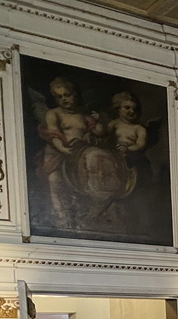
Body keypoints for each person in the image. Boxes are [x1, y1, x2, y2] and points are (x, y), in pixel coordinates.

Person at [36, 77, 104, 228]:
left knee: (82, 184)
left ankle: (80, 219)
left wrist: (97, 121)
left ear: (75, 95)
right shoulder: (54, 114)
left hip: (78, 155)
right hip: (57, 154)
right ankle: (60, 217)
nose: (64, 99)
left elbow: (100, 132)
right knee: (55, 180)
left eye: (67, 95)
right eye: (59, 97)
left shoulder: (82, 115)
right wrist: (63, 148)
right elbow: (54, 134)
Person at [106, 91, 147, 156]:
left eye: (135, 109)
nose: (132, 111)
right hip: (115, 155)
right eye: (127, 107)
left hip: (132, 157)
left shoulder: (139, 128)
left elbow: (140, 145)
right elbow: (105, 137)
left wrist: (128, 149)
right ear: (118, 108)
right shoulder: (113, 123)